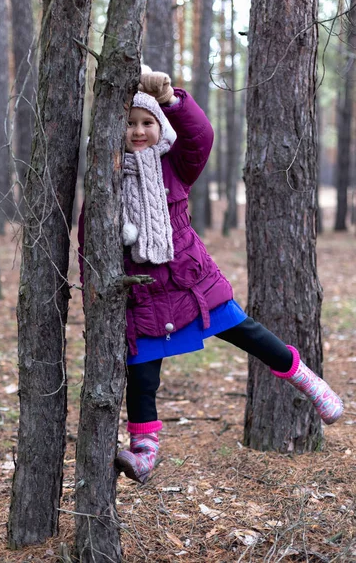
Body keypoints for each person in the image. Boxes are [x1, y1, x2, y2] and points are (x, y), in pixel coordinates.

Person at [78, 69, 343, 485]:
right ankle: (145, 451)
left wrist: (170, 100)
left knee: (247, 330)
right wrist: (92, 303)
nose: (139, 130)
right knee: (142, 375)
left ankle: (306, 379)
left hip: (191, 282)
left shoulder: (176, 164)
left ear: (159, 125)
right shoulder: (105, 178)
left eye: (147, 122)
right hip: (142, 296)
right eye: (130, 123)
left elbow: (200, 134)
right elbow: (87, 243)